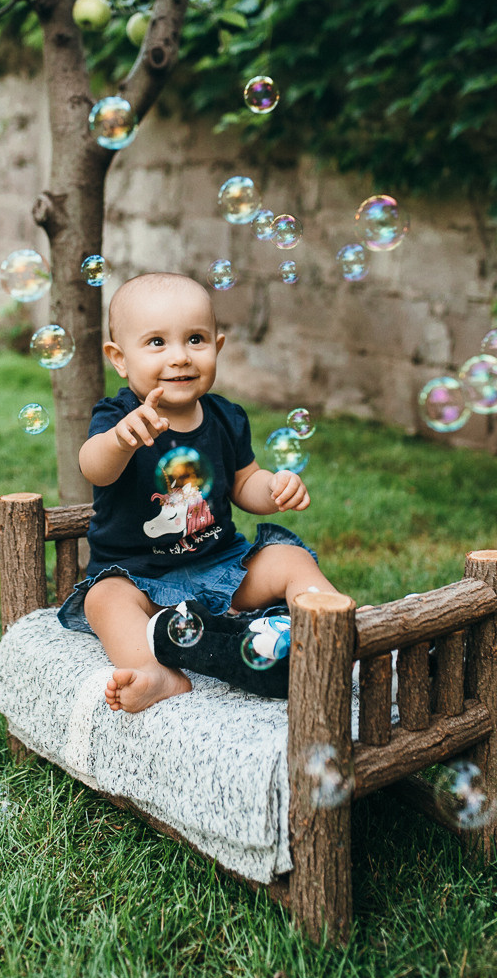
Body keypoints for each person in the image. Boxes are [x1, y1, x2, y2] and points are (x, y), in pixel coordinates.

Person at [57, 271, 341, 712]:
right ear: (120, 358)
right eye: (156, 343)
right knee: (104, 599)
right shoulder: (119, 416)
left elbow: (246, 483)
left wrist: (275, 487)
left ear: (217, 347)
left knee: (289, 558)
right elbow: (95, 468)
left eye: (195, 340)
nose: (180, 358)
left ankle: (331, 625)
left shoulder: (226, 417)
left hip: (221, 567)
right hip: (140, 578)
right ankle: (153, 673)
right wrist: (120, 440)